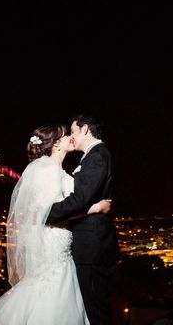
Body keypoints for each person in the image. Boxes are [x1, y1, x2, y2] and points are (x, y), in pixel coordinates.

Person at [0, 123, 111, 325]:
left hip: (60, 244)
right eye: (64, 135)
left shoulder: (52, 169)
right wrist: (94, 209)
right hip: (54, 245)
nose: (70, 137)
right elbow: (48, 212)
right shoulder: (48, 170)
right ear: (56, 145)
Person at [46, 114, 120, 325]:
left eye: (73, 131)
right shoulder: (93, 155)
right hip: (89, 247)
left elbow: (80, 199)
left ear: (85, 129)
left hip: (93, 247)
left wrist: (44, 214)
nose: (71, 136)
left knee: (96, 311)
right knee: (92, 309)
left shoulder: (97, 155)